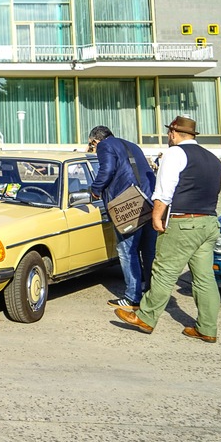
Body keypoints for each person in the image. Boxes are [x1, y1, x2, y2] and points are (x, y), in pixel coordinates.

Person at [114, 116, 221, 343]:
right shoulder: (213, 159)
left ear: (173, 133)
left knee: (163, 271)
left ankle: (145, 317)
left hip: (184, 221)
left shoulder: (175, 154)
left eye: (168, 134)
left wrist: (156, 217)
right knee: (204, 278)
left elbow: (164, 191)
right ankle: (207, 328)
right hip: (209, 222)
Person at [88, 125, 158, 310]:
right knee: (148, 250)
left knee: (127, 250)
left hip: (127, 203)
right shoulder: (131, 144)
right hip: (148, 201)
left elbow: (107, 170)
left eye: (91, 145)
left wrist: (95, 190)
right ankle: (151, 292)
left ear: (96, 140)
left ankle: (132, 297)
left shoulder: (104, 146)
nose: (92, 149)